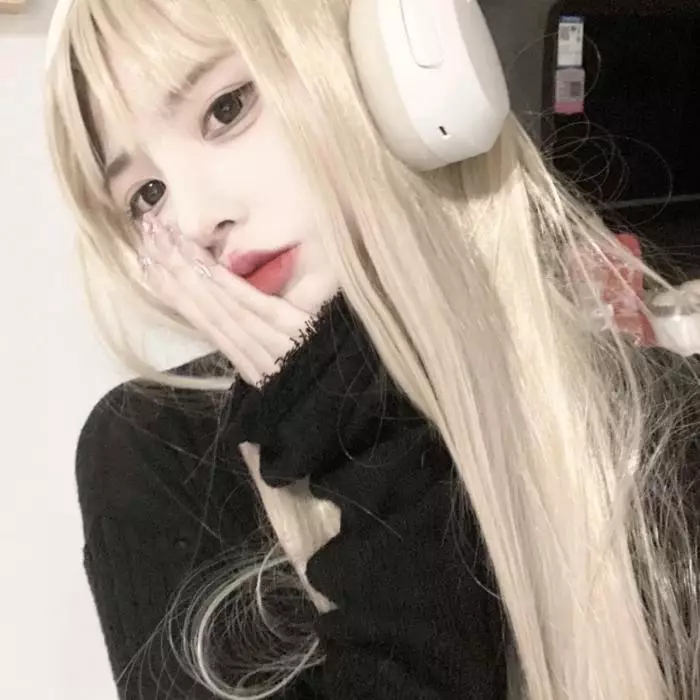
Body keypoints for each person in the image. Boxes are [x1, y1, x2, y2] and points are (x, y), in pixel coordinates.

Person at [44, 0, 700, 698]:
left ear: (393, 72)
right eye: (146, 195)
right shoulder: (157, 453)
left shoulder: (656, 420)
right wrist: (361, 445)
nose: (198, 219)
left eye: (226, 109)